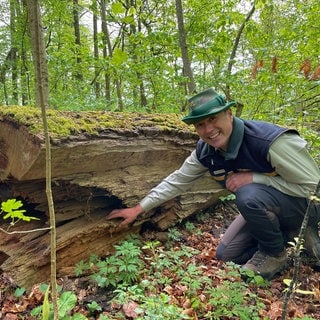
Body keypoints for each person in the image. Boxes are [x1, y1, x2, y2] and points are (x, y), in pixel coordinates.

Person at [107, 87, 320, 280]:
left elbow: (314, 187)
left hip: (304, 206)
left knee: (247, 193)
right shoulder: (206, 151)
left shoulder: (269, 142)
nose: (208, 129)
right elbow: (177, 181)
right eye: (200, 124)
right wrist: (138, 208)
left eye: (213, 119)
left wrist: (255, 178)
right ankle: (286, 234)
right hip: (266, 208)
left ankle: (275, 253)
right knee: (226, 255)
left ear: (229, 114)